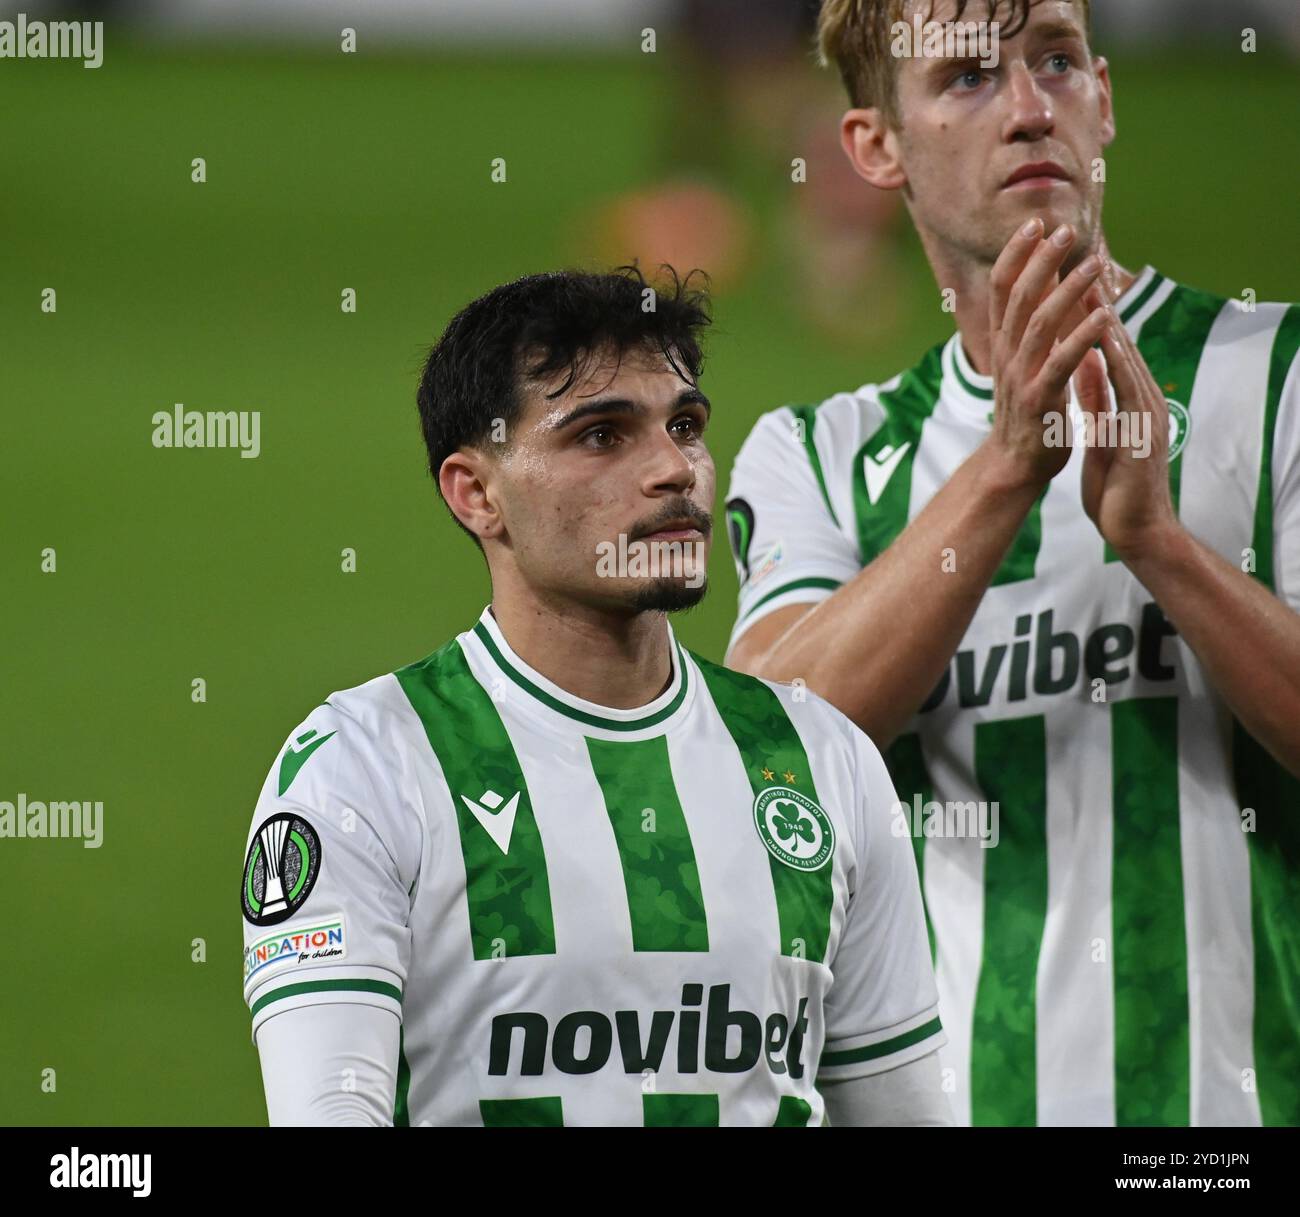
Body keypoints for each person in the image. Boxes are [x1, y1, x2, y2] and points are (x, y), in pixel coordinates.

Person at [725, 0, 1300, 1126]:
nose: (1032, 109)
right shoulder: (825, 456)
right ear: (874, 146)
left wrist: (1160, 548)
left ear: (1106, 100)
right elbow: (760, 777)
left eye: (1057, 61)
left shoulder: (1275, 375)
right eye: (969, 79)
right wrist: (1005, 472)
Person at [240, 267, 952, 1126]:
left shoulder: (824, 759)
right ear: (477, 494)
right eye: (602, 436)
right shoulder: (360, 770)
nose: (673, 470)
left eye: (684, 426)